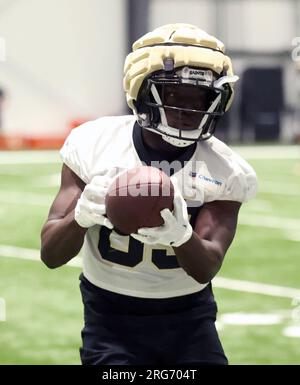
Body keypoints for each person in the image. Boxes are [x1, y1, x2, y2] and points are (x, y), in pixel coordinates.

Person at [40, 24, 257, 365]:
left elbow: (206, 267)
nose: (191, 109)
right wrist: (80, 216)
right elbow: (50, 254)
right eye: (175, 94)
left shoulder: (227, 170)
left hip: (189, 318)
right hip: (108, 315)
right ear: (142, 92)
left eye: (200, 97)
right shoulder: (95, 143)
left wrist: (182, 236)